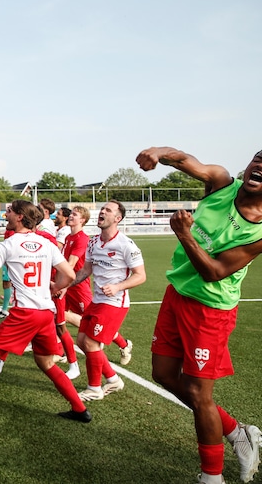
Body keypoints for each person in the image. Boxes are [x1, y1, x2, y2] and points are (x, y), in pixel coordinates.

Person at [136, 147, 262, 484]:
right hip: (178, 293)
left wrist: (184, 234)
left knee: (197, 393)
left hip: (211, 309)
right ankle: (236, 431)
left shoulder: (260, 230)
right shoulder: (222, 182)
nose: (260, 166)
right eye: (259, 158)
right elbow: (184, 161)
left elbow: (214, 272)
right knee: (164, 374)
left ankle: (212, 477)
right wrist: (158, 152)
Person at [0, 200, 89, 424]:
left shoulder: (8, 245)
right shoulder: (46, 243)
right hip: (46, 314)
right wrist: (55, 287)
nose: (6, 214)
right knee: (46, 363)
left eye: (9, 211)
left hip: (25, 314)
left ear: (20, 216)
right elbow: (69, 274)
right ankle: (80, 409)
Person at [69, 200, 146, 402]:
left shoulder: (126, 244)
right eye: (102, 209)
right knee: (82, 342)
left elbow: (141, 276)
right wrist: (65, 285)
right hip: (97, 300)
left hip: (115, 302)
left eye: (108, 210)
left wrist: (118, 287)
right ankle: (112, 379)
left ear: (117, 218)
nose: (102, 211)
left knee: (91, 343)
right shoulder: (93, 242)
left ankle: (94, 389)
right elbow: (86, 270)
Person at [54, 205, 92, 380]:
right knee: (58, 320)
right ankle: (61, 353)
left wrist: (60, 283)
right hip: (66, 284)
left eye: (75, 215)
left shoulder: (82, 239)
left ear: (82, 220)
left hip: (78, 286)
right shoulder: (69, 237)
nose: (71, 216)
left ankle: (122, 343)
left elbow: (70, 265)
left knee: (91, 321)